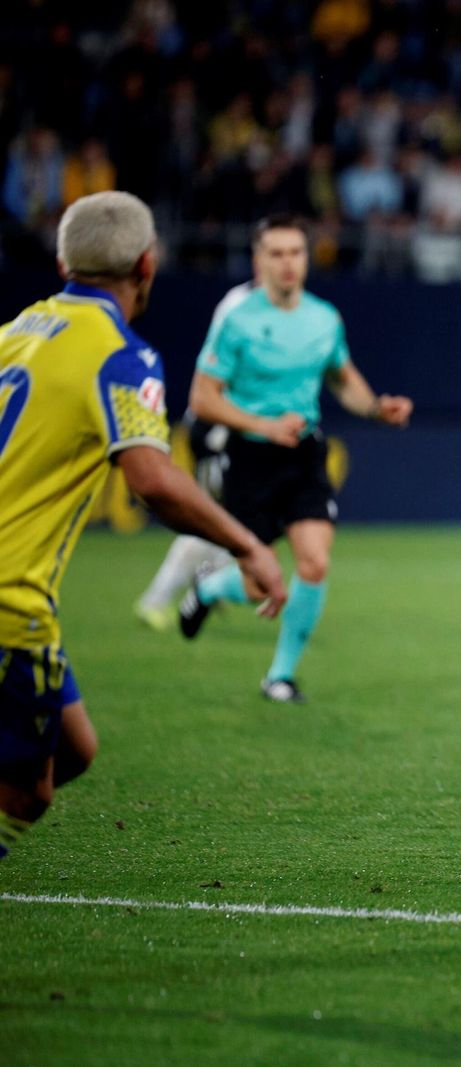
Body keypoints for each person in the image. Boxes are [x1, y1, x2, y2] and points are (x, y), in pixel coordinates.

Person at [0, 191, 286, 860]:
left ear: (64, 258)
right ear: (147, 265)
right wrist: (246, 544)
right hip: (10, 598)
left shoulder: (16, 330)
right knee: (29, 791)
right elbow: (152, 481)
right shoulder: (121, 354)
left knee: (76, 749)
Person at [177, 214, 413, 704]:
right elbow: (202, 398)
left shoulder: (324, 318)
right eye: (277, 253)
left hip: (304, 454)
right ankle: (209, 590)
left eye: (296, 253)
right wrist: (263, 425)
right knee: (259, 585)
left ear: (307, 259)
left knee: (314, 563)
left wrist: (375, 408)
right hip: (249, 457)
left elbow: (341, 377)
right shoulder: (237, 322)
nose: (287, 263)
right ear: (259, 261)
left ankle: (279, 677)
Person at [133, 279, 256, 631]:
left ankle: (208, 585)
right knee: (210, 519)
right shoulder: (242, 304)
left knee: (231, 520)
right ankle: (157, 600)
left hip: (232, 429)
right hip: (216, 428)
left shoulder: (261, 303)